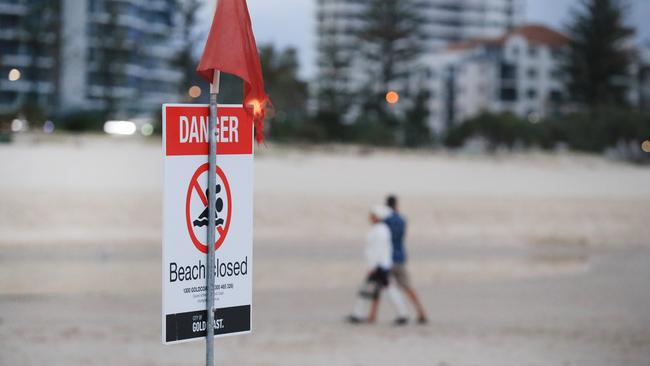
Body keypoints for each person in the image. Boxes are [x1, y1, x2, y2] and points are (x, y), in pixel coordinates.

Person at [347, 205, 408, 324]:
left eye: (372, 215)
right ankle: (358, 314)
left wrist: (374, 266)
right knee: (380, 289)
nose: (370, 217)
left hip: (379, 267)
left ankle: (402, 314)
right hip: (380, 265)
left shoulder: (381, 230)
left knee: (383, 289)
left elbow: (380, 250)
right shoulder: (379, 229)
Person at [385, 195, 428, 324]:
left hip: (387, 257)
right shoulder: (402, 219)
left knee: (380, 286)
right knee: (407, 286)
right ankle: (421, 312)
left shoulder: (386, 220)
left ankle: (372, 315)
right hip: (400, 256)